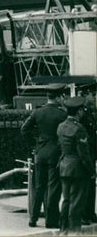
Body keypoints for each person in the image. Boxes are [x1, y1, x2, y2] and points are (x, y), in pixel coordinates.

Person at [20, 83, 67, 228]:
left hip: (40, 152)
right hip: (55, 153)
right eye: (62, 96)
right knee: (53, 187)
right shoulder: (62, 114)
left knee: (39, 186)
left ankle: (33, 218)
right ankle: (51, 220)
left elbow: (24, 129)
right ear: (58, 97)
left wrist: (35, 144)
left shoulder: (37, 112)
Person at [58, 96, 93, 234]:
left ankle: (63, 230)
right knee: (76, 202)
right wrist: (92, 171)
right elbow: (84, 154)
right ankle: (74, 231)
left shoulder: (61, 126)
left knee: (66, 200)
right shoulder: (79, 129)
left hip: (64, 167)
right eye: (82, 110)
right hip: (77, 169)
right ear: (78, 112)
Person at [78, 83, 97, 224]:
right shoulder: (82, 114)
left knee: (91, 184)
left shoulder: (90, 111)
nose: (95, 98)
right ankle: (84, 213)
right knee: (84, 185)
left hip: (91, 154)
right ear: (85, 95)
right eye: (93, 95)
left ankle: (90, 212)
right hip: (84, 154)